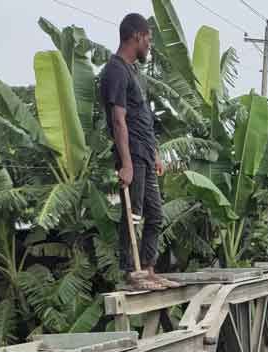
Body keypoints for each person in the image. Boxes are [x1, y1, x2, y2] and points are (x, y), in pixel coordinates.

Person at [99, 13, 178, 291]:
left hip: (145, 152)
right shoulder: (115, 70)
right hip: (131, 153)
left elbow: (142, 116)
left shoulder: (132, 71)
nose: (150, 45)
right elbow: (119, 120)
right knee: (133, 215)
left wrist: (155, 152)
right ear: (137, 37)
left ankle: (148, 268)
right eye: (149, 39)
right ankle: (131, 270)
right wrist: (127, 164)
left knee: (155, 215)